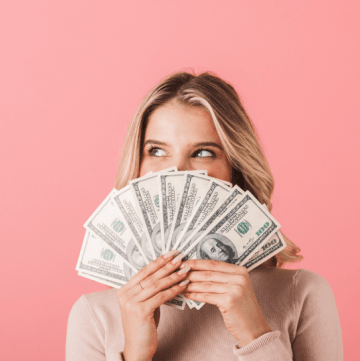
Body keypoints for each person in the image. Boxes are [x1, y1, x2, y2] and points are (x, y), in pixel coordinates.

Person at [67, 71, 342, 361]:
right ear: (137, 164)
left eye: (203, 152)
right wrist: (135, 353)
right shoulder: (95, 315)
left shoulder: (302, 293)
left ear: (235, 169)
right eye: (157, 150)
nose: (177, 173)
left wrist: (256, 334)